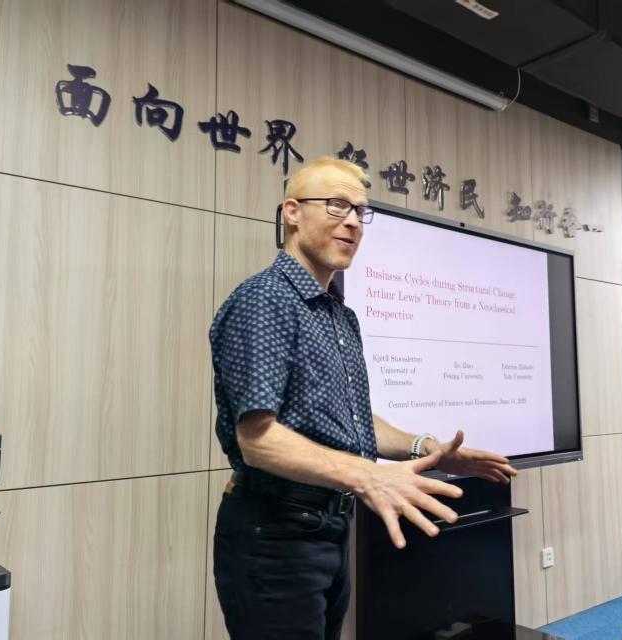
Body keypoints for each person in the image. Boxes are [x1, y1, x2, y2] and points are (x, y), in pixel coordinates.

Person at [210, 157, 517, 640]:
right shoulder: (264, 299)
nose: (352, 222)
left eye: (359, 211)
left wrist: (427, 450)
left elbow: (353, 421)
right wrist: (367, 475)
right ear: (292, 212)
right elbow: (258, 440)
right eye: (337, 205)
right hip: (274, 534)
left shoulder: (340, 315)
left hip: (329, 530)